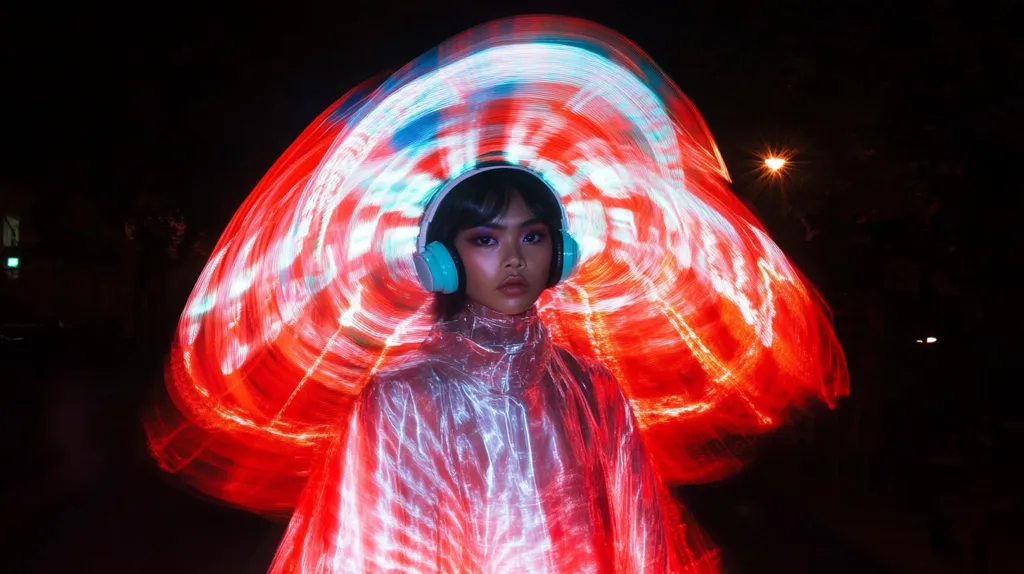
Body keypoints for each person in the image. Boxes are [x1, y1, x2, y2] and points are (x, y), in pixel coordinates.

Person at [268, 165, 717, 573]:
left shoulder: (593, 386)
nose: (513, 259)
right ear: (442, 261)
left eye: (532, 236)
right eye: (485, 238)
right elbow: (379, 554)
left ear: (560, 253)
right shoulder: (401, 395)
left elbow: (641, 542)